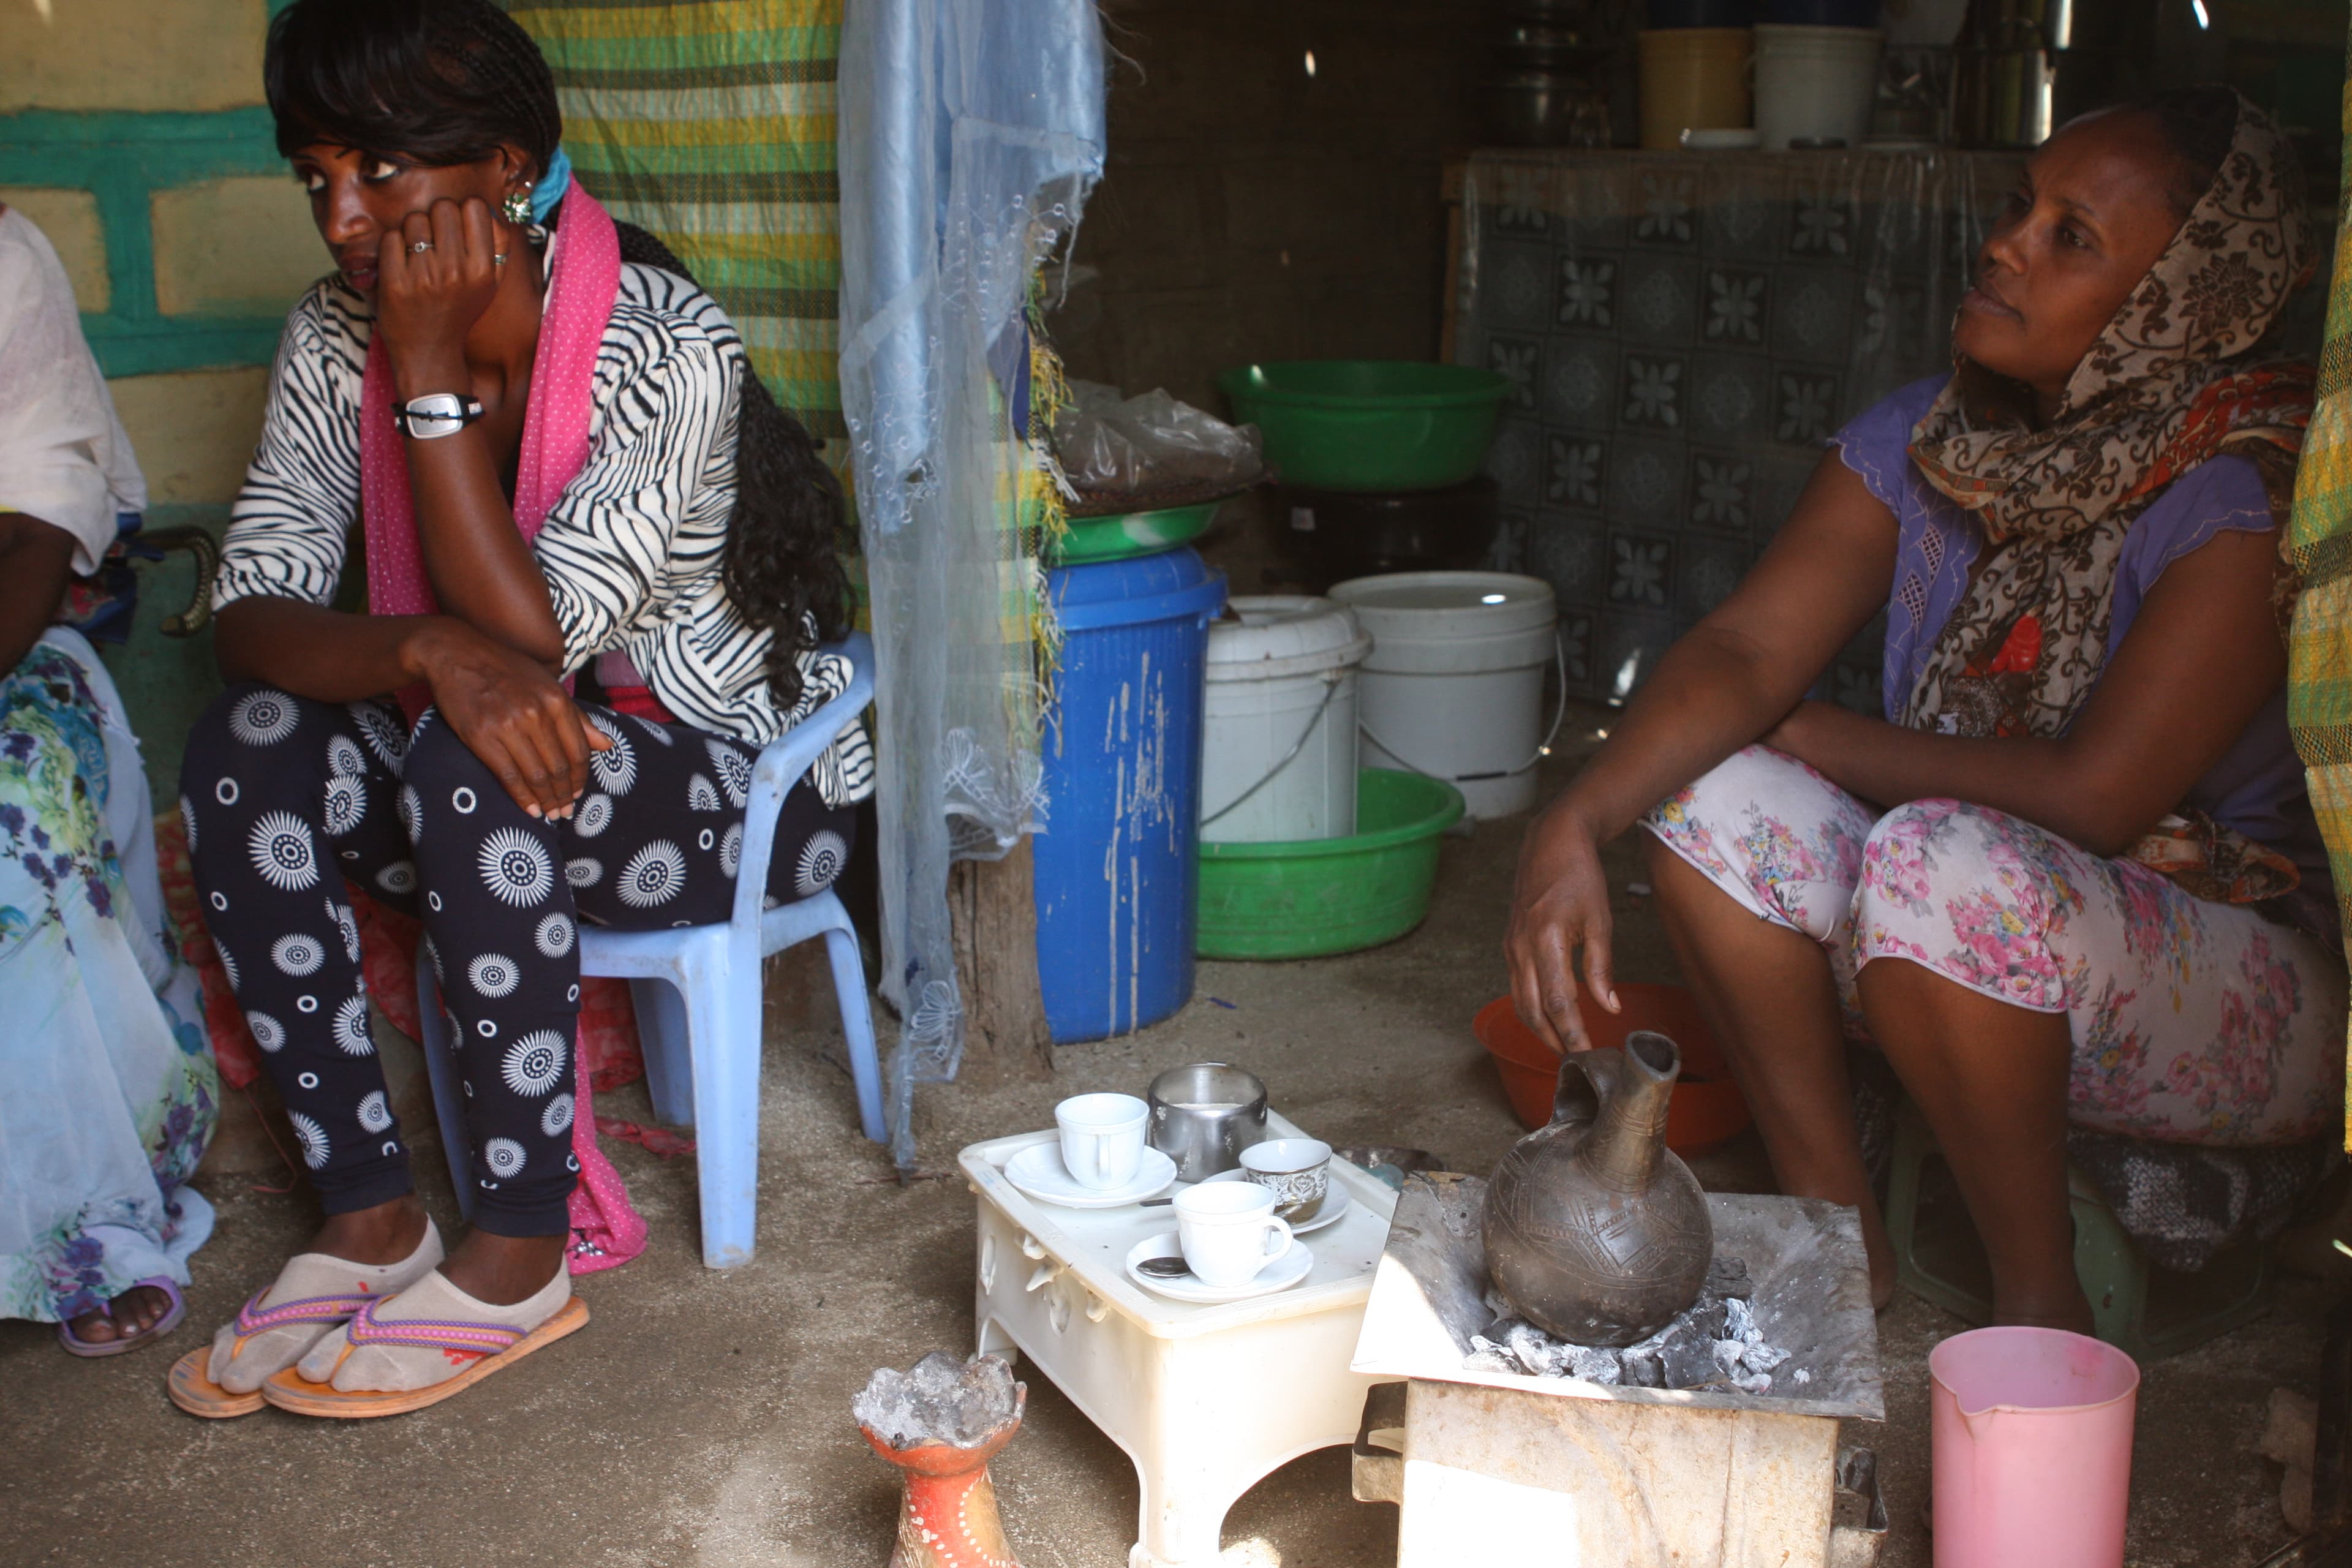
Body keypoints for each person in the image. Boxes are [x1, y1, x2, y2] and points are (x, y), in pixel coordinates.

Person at [1504, 86, 2347, 1332]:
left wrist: (1820, 733)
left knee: (1935, 862)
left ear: (2188, 301)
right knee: (1701, 790)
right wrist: (1570, 823)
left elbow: (2098, 796)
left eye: (2074, 236)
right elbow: (1743, 645)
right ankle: (1840, 1246)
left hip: (2230, 986)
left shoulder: (2240, 491)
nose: (2007, 243)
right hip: (1968, 928)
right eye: (2023, 206)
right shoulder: (1933, 438)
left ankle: (2036, 1303)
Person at [170, 0, 872, 1418]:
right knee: (243, 745)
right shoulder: (329, 339)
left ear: (502, 167)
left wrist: (428, 386)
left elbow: (539, 645)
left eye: (382, 172)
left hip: (737, 789)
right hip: (485, 763)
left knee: (481, 753)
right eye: (319, 179)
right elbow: (252, 612)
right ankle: (369, 1215)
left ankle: (519, 1247)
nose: (345, 219)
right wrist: (423, 647)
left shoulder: (663, 348)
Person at [0, 202, 220, 1355]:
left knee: (11, 817)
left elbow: (40, 526)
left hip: (15, 650)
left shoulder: (3, 259)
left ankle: (79, 1221)